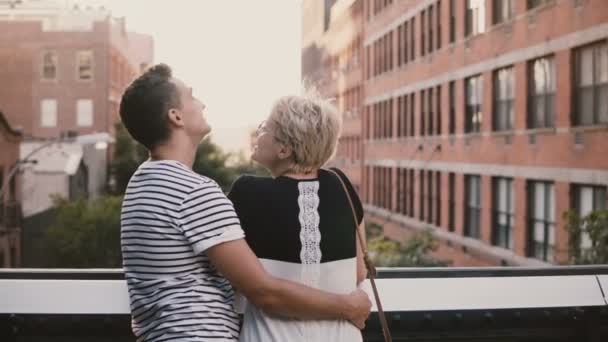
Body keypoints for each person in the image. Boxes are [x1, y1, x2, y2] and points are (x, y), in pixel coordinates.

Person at [119, 64, 371, 341]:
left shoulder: (142, 181)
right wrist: (349, 306)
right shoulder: (194, 192)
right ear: (176, 117)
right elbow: (263, 290)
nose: (202, 103)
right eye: (191, 97)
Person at [228, 90, 368, 342]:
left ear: (284, 150)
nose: (258, 132)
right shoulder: (341, 185)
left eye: (265, 127)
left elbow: (236, 279)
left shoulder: (247, 193)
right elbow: (359, 272)